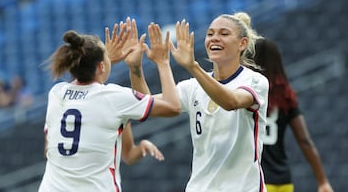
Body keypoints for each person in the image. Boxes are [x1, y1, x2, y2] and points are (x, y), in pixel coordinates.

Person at [127, 13, 269, 191]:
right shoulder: (191, 87)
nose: (215, 38)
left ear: (242, 43)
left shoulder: (255, 81)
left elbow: (231, 102)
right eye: (210, 34)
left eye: (224, 34)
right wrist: (135, 68)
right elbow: (146, 106)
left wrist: (193, 66)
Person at [38, 21, 180, 192]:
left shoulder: (56, 94)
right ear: (102, 66)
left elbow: (49, 149)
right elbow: (173, 107)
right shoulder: (114, 98)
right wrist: (162, 63)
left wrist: (101, 63)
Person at [253, 38, 334, 192]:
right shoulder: (286, 97)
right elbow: (305, 141)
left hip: (256, 180)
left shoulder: (245, 96)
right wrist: (322, 181)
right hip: (282, 182)